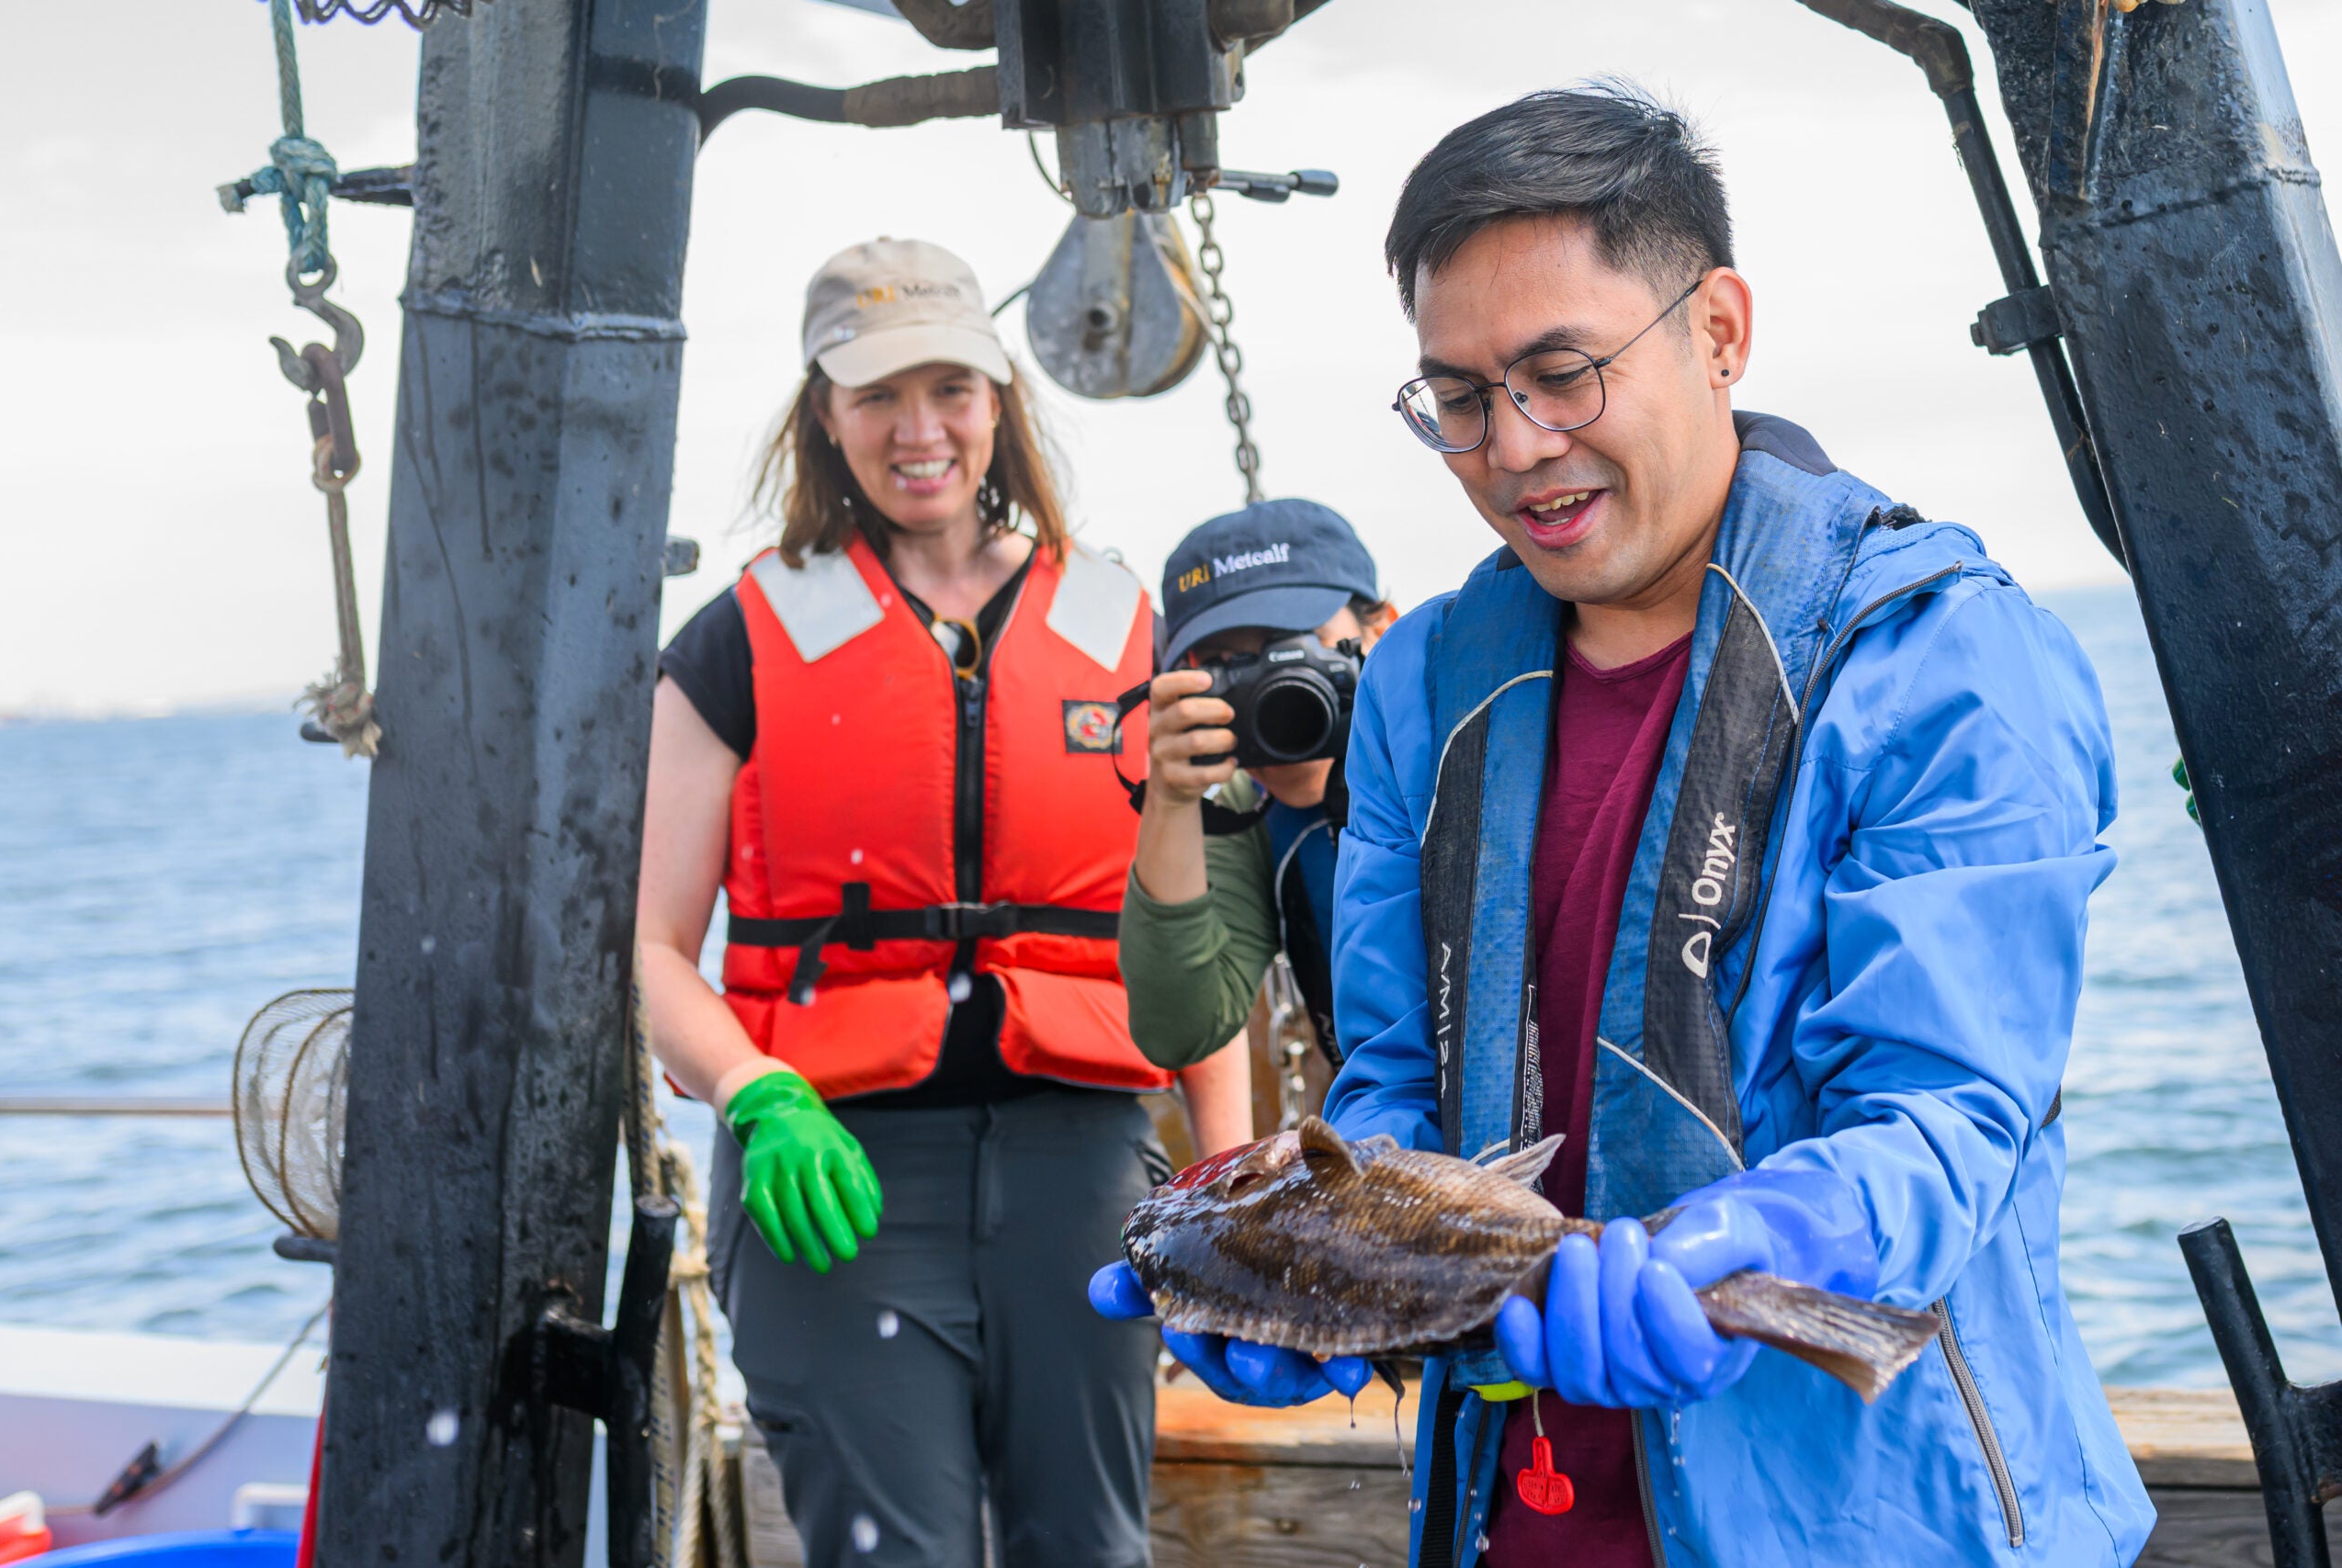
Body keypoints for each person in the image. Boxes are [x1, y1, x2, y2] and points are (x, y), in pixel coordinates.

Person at [1097, 86, 2154, 1565]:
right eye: (1458, 398)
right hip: (1505, 1512)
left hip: (1879, 1520)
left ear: (1717, 328)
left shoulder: (1939, 655)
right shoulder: (1418, 681)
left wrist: (1753, 1246)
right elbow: (1400, 1073)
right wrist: (1321, 1274)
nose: (1515, 448)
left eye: (1563, 372)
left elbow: (1945, 1118)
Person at [639, 237, 1245, 1568]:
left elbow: (1190, 926)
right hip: (834, 1179)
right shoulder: (737, 639)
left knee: (1089, 1546)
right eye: (877, 396)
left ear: (999, 398)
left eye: (951, 390)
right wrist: (760, 1090)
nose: (921, 431)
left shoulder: (1118, 620)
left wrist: (1228, 1172)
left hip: (1080, 1166)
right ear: (824, 415)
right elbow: (648, 949)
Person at [1115, 500, 1396, 1082]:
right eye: (1229, 665)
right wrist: (1170, 800)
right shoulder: (1247, 814)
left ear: (1383, 629)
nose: (1276, 692)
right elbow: (1180, 1029)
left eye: (1291, 645)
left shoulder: (1470, 754)